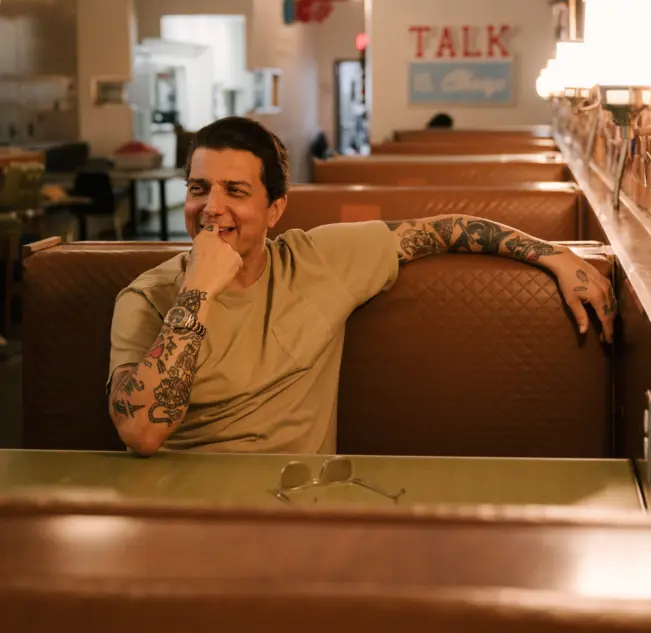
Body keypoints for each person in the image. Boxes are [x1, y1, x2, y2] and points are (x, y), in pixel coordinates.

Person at [108, 117, 617, 457]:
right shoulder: (146, 296)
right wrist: (198, 291)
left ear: (275, 209)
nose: (211, 207)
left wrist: (555, 255)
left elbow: (440, 230)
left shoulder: (320, 260)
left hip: (296, 511)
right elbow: (143, 432)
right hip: (177, 516)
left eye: (235, 192)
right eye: (199, 189)